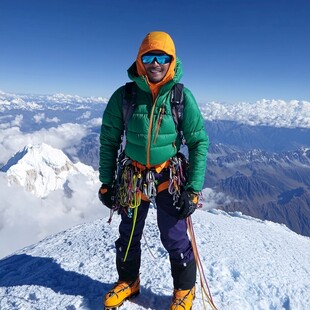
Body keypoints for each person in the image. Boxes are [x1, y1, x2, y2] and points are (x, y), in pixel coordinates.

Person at [98, 31, 209, 310]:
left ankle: (185, 291)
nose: (155, 63)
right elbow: (109, 140)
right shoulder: (123, 97)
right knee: (129, 231)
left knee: (173, 235)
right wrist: (105, 182)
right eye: (149, 57)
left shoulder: (181, 98)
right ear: (140, 60)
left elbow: (198, 142)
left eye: (163, 57)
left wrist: (193, 190)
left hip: (167, 177)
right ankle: (128, 281)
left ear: (172, 61)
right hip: (132, 178)